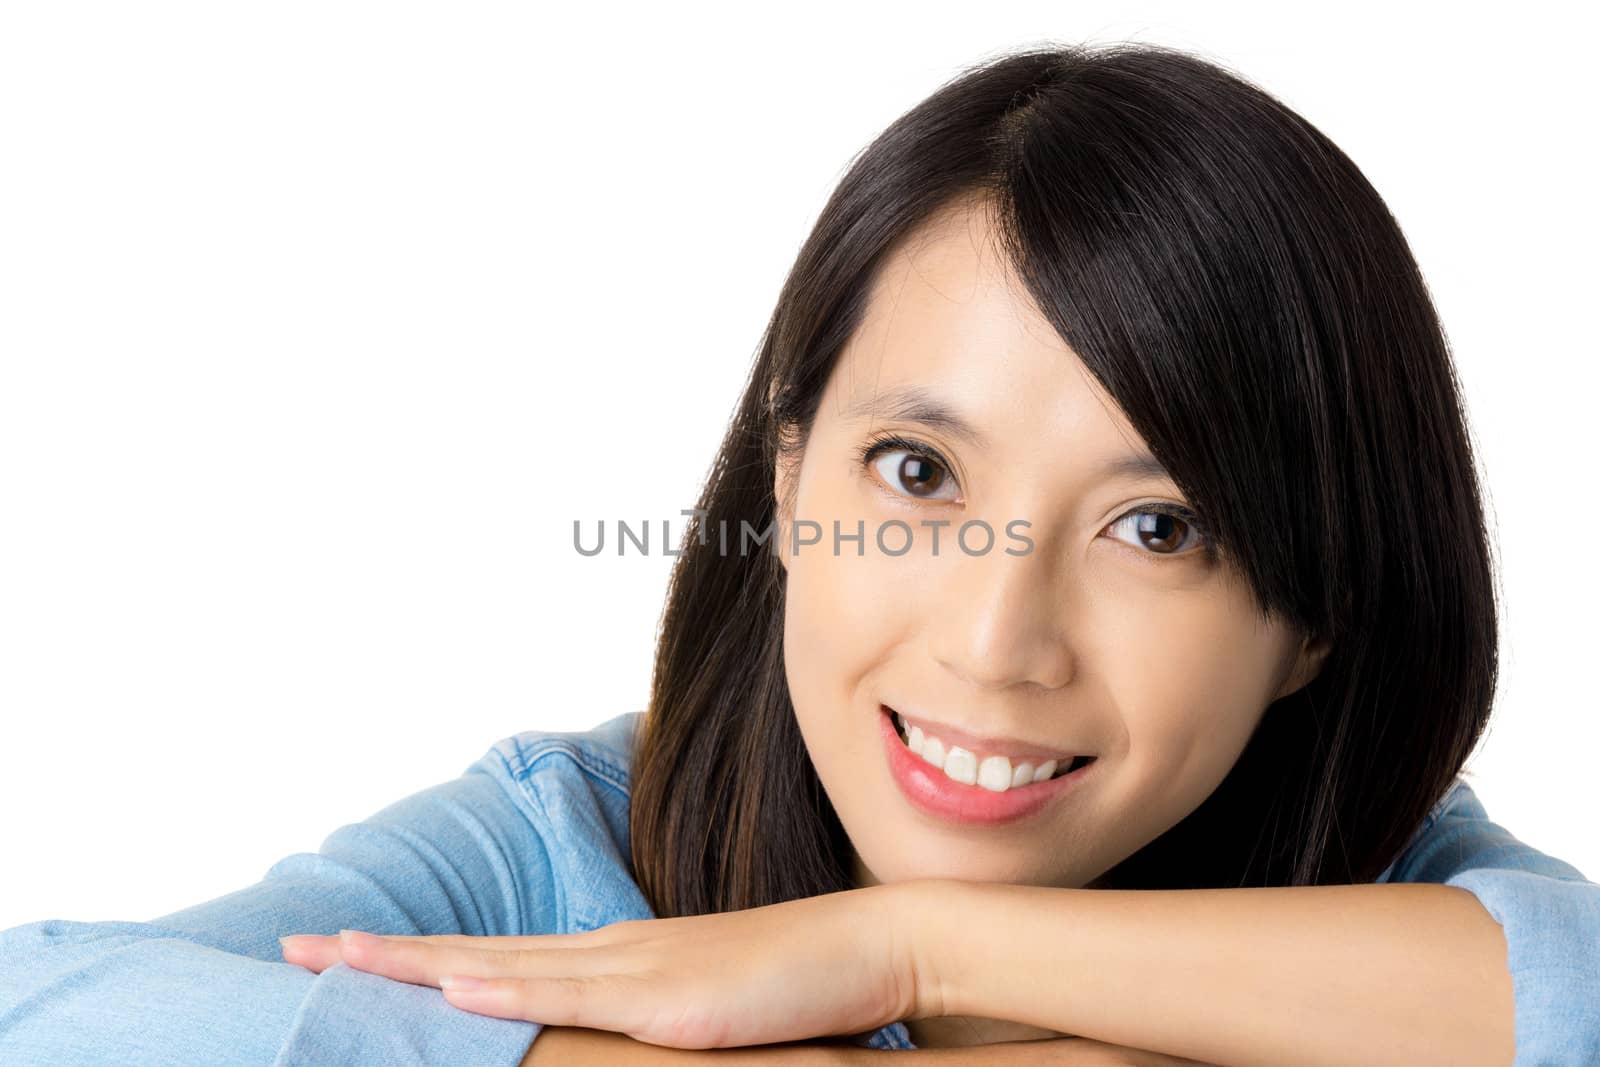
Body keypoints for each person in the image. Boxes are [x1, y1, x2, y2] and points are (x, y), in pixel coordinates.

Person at [3, 41, 1596, 1067]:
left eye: (1158, 526)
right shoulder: (563, 853)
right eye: (917, 472)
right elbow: (45, 1005)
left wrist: (903, 944)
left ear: (1314, 620)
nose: (995, 637)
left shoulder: (1386, 885)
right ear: (791, 469)